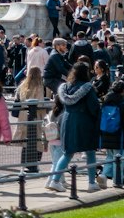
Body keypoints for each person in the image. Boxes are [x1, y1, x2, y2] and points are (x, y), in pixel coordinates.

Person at [45, 61, 107, 194]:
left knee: (68, 153)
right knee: (90, 152)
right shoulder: (87, 88)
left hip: (67, 120)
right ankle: (91, 183)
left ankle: (55, 181)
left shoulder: (64, 87)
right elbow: (93, 107)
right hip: (84, 121)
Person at [99, 78, 124, 183]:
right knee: (120, 160)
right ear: (123, 91)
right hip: (119, 136)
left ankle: (104, 175)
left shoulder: (105, 103)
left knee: (109, 157)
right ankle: (117, 181)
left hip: (106, 134)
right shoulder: (123, 105)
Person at [11, 64, 47, 173]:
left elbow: (18, 98)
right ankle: (33, 165)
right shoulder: (40, 86)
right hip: (36, 115)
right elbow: (40, 103)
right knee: (37, 140)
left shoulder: (23, 85)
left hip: (23, 115)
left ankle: (25, 164)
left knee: (26, 141)